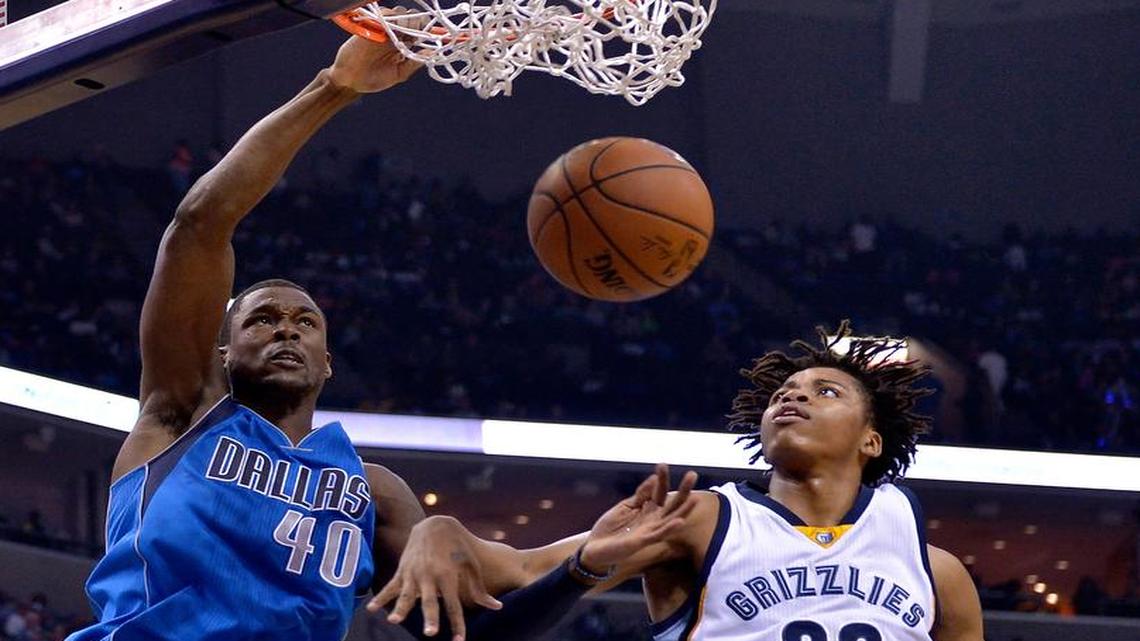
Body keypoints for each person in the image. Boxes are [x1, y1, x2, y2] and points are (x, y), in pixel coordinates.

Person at [66, 29, 699, 641]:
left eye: (305, 321)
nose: (286, 326)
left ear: (328, 362)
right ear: (222, 352)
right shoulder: (180, 415)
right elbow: (200, 223)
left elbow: (508, 577)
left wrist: (591, 552)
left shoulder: (369, 488)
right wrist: (334, 87)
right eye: (261, 317)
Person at [382, 323, 985, 641]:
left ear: (870, 440)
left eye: (824, 391)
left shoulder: (939, 574)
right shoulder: (703, 518)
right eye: (783, 392)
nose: (794, 394)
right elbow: (519, 572)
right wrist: (438, 529)